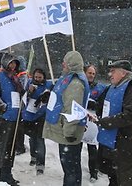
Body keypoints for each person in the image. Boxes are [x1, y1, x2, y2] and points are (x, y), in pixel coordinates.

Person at [90, 60, 132, 186]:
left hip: (129, 145)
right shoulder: (113, 87)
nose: (110, 74)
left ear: (123, 73)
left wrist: (106, 122)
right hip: (114, 143)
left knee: (126, 181)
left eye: (113, 71)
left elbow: (131, 116)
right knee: (114, 178)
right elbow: (101, 104)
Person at [43, 51, 90, 186]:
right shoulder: (69, 79)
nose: (63, 64)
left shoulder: (75, 83)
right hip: (65, 130)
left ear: (71, 64)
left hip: (68, 133)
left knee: (71, 169)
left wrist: (69, 132)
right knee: (70, 168)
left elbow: (73, 110)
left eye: (66, 61)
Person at [0, 53, 25, 185]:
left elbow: (21, 94)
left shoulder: (15, 78)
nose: (13, 66)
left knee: (12, 146)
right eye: (11, 63)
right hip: (5, 117)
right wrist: (2, 106)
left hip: (15, 116)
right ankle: (4, 175)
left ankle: (8, 172)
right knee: (5, 146)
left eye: (15, 63)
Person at [21, 68, 53, 175]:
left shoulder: (48, 85)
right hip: (29, 115)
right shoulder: (29, 83)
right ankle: (33, 156)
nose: (37, 79)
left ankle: (40, 164)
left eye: (40, 77)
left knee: (39, 139)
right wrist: (29, 92)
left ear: (44, 77)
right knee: (32, 137)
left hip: (41, 115)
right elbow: (23, 97)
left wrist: (46, 96)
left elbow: (50, 94)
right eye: (36, 77)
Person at [84, 64, 107, 182]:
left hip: (91, 121)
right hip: (79, 119)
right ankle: (74, 171)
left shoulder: (99, 87)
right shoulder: (79, 85)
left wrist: (96, 105)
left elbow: (104, 103)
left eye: (93, 73)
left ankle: (94, 172)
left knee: (92, 147)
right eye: (89, 73)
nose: (91, 75)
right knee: (75, 146)